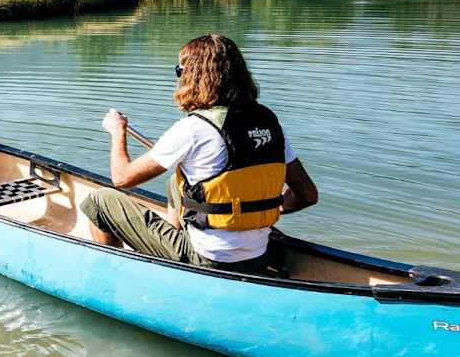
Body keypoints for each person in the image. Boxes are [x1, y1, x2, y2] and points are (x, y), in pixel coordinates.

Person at [80, 34, 319, 275]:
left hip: (208, 260)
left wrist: (117, 132)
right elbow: (307, 195)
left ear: (193, 76)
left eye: (179, 70)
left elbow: (122, 178)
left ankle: (113, 275)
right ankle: (170, 246)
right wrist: (264, 211)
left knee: (98, 201)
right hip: (260, 253)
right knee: (176, 181)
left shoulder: (194, 128)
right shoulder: (269, 123)